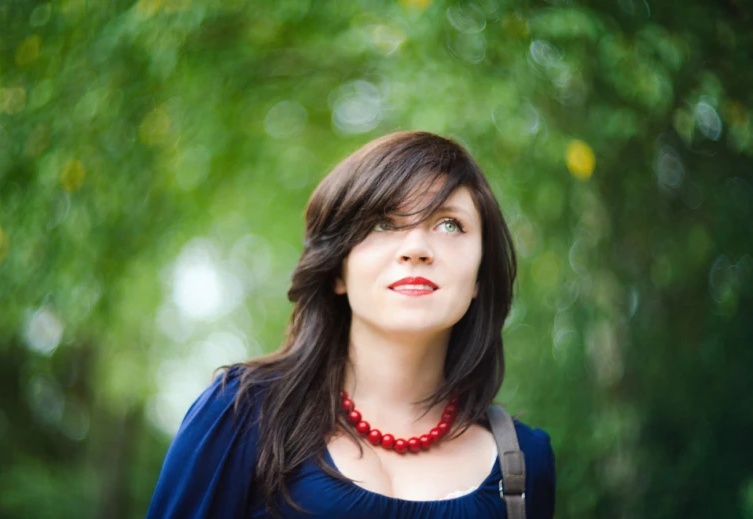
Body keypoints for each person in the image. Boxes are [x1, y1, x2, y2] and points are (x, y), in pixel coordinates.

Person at [146, 131, 556, 518]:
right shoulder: (238, 416)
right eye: (383, 223)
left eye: (449, 224)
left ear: (480, 276)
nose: (416, 248)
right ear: (337, 270)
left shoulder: (523, 460)